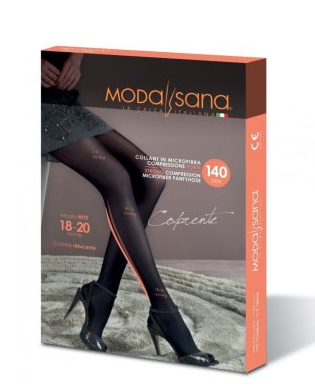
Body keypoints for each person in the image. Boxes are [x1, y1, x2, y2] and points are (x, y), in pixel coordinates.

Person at [41, 52, 217, 366]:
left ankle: (100, 296)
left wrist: (76, 57)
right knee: (118, 179)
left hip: (61, 99)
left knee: (152, 176)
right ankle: (164, 310)